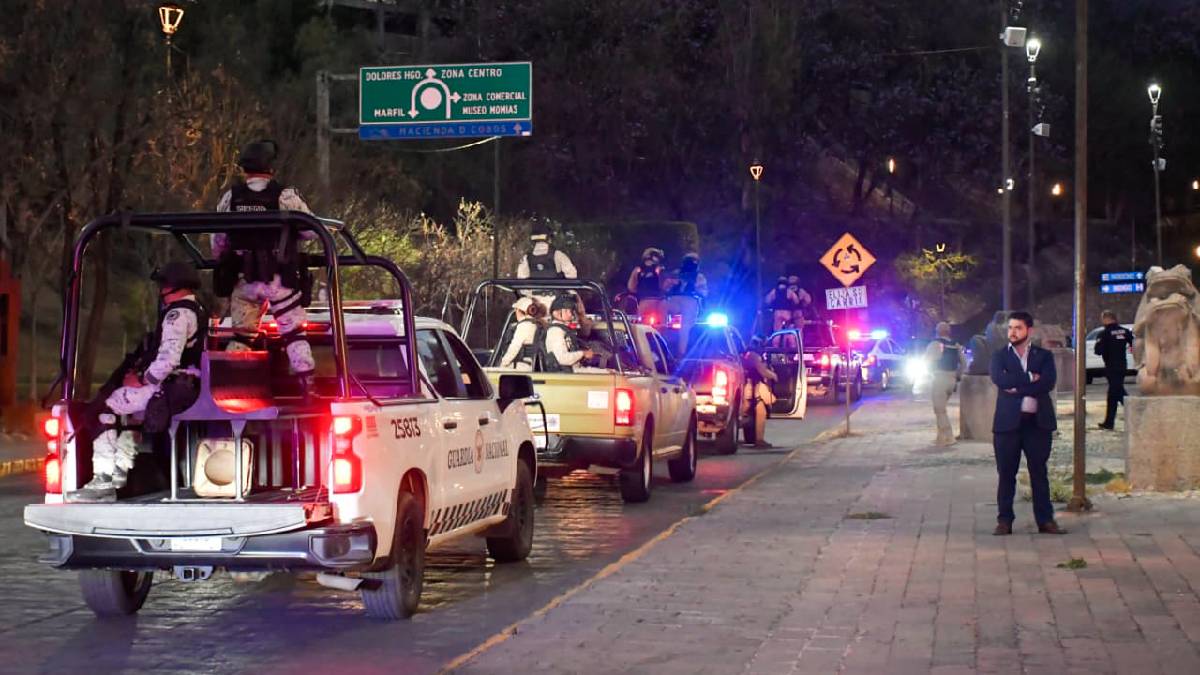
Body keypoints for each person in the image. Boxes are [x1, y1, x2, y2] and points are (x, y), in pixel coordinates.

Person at [68, 263, 208, 502]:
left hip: (170, 387)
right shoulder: (196, 309)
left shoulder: (177, 314)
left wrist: (141, 380)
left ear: (172, 287)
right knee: (129, 413)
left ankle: (104, 481)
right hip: (184, 385)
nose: (160, 291)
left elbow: (168, 360)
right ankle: (120, 471)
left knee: (106, 409)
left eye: (162, 285)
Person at [213, 140, 316, 397]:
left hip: (243, 280)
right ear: (271, 168)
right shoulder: (285, 196)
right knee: (293, 333)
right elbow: (312, 230)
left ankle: (232, 389)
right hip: (279, 281)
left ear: (245, 169)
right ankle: (308, 386)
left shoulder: (230, 197)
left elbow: (218, 242)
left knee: (242, 337)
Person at [989, 311, 1064, 535]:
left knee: (1038, 472)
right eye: (1010, 328)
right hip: (1007, 425)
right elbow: (1000, 380)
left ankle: (1045, 520)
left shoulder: (1043, 356)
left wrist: (1017, 387)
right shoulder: (999, 356)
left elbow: (1048, 382)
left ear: (1029, 331)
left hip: (1037, 424)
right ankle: (1004, 520)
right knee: (1006, 473)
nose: (1012, 332)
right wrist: (1031, 377)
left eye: (1017, 328)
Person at [924, 322, 966, 446]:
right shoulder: (956, 345)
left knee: (939, 409)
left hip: (940, 378)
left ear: (938, 331)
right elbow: (964, 363)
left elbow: (927, 360)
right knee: (941, 407)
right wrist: (957, 375)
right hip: (952, 379)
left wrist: (931, 373)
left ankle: (948, 437)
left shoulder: (935, 344)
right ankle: (940, 437)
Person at [1095, 310, 1133, 430]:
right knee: (1113, 393)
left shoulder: (1104, 333)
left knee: (1118, 392)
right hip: (1122, 365)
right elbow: (1134, 343)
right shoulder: (1125, 331)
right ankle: (1109, 422)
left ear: (1106, 319)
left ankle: (1135, 411)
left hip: (1111, 366)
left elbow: (1098, 351)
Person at [665, 253, 708, 353]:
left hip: (674, 301)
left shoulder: (677, 273)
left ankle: (664, 349)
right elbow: (704, 293)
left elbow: (666, 288)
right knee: (685, 329)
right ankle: (681, 354)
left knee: (665, 325)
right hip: (689, 302)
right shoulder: (698, 276)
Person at [741, 337, 778, 448]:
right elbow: (763, 371)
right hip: (753, 386)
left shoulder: (747, 355)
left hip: (751, 387)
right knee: (764, 406)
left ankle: (757, 439)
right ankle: (759, 440)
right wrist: (774, 376)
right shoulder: (753, 356)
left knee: (759, 411)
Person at [544, 295, 594, 372]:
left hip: (574, 370)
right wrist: (583, 353)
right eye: (566, 311)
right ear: (556, 313)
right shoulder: (555, 331)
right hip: (568, 373)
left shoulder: (563, 329)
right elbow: (562, 358)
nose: (570, 314)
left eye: (570, 311)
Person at [499, 297, 547, 371]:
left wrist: (503, 363)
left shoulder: (524, 325)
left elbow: (514, 348)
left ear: (519, 311)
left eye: (516, 310)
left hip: (523, 366)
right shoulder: (538, 323)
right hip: (533, 365)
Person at [627, 247, 666, 319]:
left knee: (642, 326)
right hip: (659, 302)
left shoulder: (637, 270)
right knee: (661, 327)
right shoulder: (660, 269)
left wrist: (639, 290)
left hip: (644, 301)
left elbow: (631, 287)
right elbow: (664, 286)